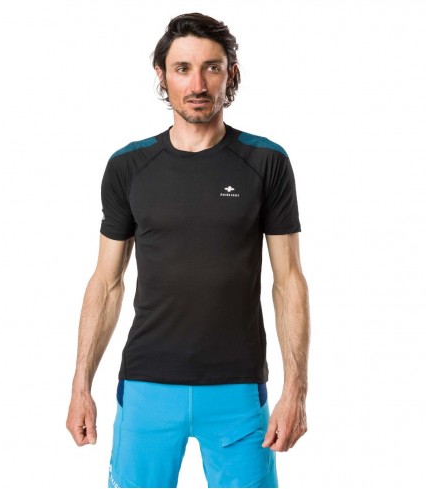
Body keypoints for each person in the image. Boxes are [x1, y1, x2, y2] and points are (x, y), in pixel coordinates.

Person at [66, 12, 310, 488]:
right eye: (182, 68)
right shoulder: (129, 166)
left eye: (211, 68)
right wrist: (81, 384)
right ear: (161, 74)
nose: (197, 84)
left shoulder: (266, 162)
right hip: (147, 385)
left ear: (230, 74)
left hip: (238, 389)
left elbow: (289, 281)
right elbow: (107, 282)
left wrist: (296, 389)